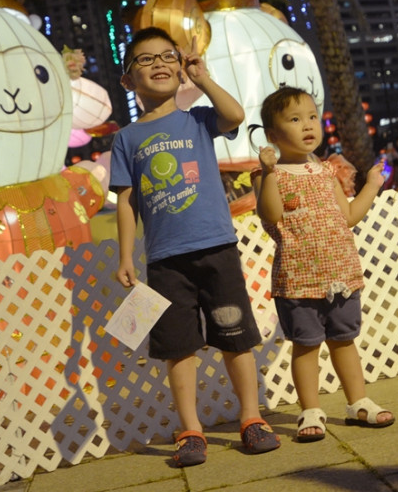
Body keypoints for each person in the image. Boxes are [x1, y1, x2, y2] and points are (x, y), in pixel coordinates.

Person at [110, 26, 280, 467]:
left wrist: (201, 77)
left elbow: (235, 114)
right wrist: (126, 255)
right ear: (128, 80)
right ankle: (190, 431)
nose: (159, 64)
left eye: (166, 56)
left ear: (180, 67)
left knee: (235, 338)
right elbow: (126, 201)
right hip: (165, 260)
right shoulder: (126, 138)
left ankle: (252, 418)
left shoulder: (198, 118)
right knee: (178, 347)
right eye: (145, 60)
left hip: (216, 247)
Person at [252, 86, 395, 443]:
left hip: (340, 274)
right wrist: (269, 171)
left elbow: (347, 217)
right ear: (272, 135)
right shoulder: (269, 175)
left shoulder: (326, 171)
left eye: (312, 116)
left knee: (344, 341)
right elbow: (271, 215)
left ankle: (358, 402)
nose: (308, 125)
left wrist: (372, 186)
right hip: (298, 279)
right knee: (307, 345)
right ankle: (310, 410)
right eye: (295, 119)